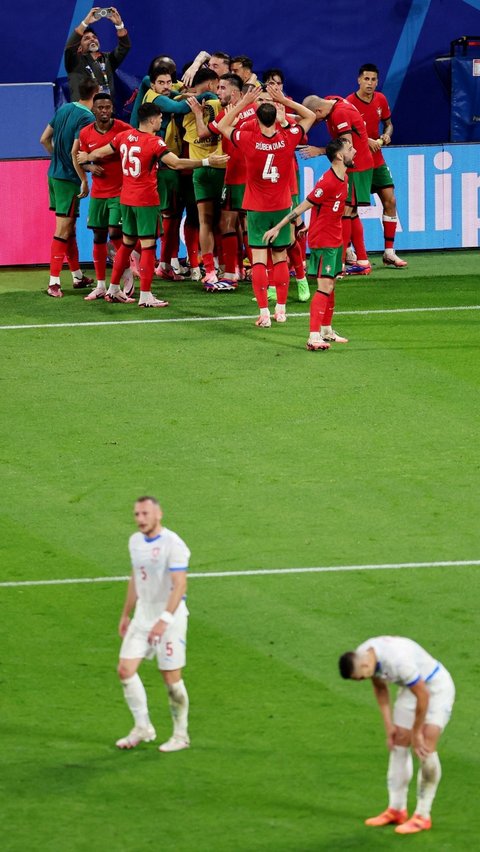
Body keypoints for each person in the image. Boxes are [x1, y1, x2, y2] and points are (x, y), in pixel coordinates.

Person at [77, 102, 228, 307]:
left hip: (126, 200)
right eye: (159, 118)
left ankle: (113, 288)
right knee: (148, 247)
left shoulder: (124, 137)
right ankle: (146, 295)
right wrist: (206, 161)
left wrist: (87, 157)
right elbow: (176, 163)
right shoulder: (154, 142)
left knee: (127, 244)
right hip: (145, 201)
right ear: (151, 120)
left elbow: (99, 153)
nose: (160, 121)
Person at [217, 84, 315, 326]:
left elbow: (222, 126)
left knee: (260, 260)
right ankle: (281, 309)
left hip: (257, 208)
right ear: (275, 118)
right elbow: (311, 115)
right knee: (281, 256)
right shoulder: (288, 137)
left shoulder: (248, 139)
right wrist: (286, 101)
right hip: (282, 206)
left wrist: (242, 103)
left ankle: (263, 313)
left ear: (256, 117)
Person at [339, 636, 455, 834]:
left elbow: (424, 695)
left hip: (434, 689)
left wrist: (417, 732)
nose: (360, 680)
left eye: (359, 677)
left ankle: (422, 815)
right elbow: (380, 687)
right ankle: (396, 809)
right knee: (398, 740)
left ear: (365, 665)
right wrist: (388, 726)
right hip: (411, 689)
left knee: (425, 743)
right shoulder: (364, 654)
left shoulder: (398, 662)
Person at [116, 496, 191, 753]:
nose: (140, 519)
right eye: (136, 514)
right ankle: (143, 727)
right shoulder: (135, 542)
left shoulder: (174, 544)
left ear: (158, 514)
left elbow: (180, 584)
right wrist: (126, 614)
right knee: (125, 670)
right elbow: (136, 577)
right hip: (143, 615)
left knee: (170, 677)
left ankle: (180, 735)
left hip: (169, 617)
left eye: (145, 514)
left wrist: (164, 620)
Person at [263, 137, 353, 350]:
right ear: (340, 156)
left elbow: (328, 211)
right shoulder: (328, 182)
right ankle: (313, 336)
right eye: (350, 148)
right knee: (324, 286)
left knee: (331, 284)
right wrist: (278, 227)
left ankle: (326, 330)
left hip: (334, 238)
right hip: (324, 240)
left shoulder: (344, 178)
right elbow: (303, 206)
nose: (354, 150)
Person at [301, 94, 374, 275]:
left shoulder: (339, 113)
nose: (314, 123)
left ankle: (339, 265)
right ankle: (362, 261)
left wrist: (319, 151)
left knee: (346, 212)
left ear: (318, 111)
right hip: (360, 163)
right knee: (352, 212)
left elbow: (346, 145)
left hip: (357, 166)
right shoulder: (332, 101)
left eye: (314, 118)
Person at [40, 77, 99, 298]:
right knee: (63, 229)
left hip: (54, 176)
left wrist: (57, 159)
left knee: (70, 227)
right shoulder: (87, 117)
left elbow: (44, 139)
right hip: (68, 180)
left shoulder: (64, 108)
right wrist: (84, 177)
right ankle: (53, 283)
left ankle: (77, 276)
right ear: (96, 92)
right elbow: (76, 153)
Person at [346, 64, 407, 268]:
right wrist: (365, 142)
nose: (370, 83)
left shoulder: (381, 99)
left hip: (377, 160)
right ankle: (348, 251)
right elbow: (344, 137)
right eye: (366, 79)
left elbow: (389, 123)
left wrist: (387, 134)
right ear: (359, 80)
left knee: (390, 200)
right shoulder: (349, 103)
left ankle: (389, 252)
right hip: (357, 163)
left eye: (373, 79)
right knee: (350, 208)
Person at [75, 93, 133, 301]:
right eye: (100, 108)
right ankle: (100, 285)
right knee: (99, 236)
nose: (104, 111)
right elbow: (81, 159)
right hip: (99, 193)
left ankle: (126, 274)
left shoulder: (124, 130)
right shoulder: (85, 133)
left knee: (116, 234)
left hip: (119, 191)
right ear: (93, 109)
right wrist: (90, 166)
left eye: (108, 107)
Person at [64, 7, 130, 102]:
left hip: (107, 113)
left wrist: (119, 25)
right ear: (79, 47)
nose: (92, 39)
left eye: (94, 37)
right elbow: (70, 48)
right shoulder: (74, 62)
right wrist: (85, 23)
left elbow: (124, 47)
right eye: (86, 38)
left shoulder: (108, 59)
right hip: (84, 114)